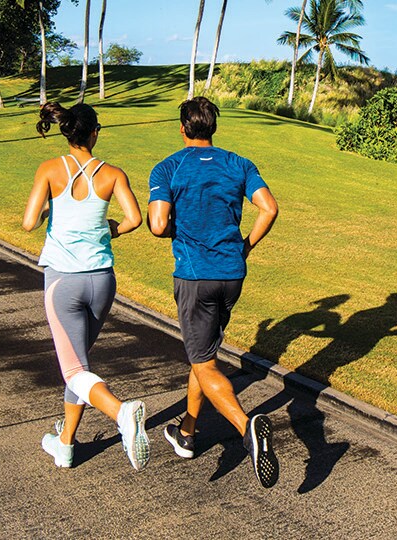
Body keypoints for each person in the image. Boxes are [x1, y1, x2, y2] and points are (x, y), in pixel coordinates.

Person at [147, 97, 282, 488]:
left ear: (183, 128)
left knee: (204, 362)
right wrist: (246, 246)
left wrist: (176, 228)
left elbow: (157, 225)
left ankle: (247, 429)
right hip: (232, 274)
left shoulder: (168, 167)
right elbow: (269, 208)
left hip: (195, 276)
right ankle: (187, 432)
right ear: (213, 128)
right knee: (203, 352)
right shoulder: (239, 164)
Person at [23, 102, 149, 470]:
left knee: (75, 370)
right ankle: (65, 443)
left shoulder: (49, 169)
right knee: (79, 365)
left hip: (63, 282)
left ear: (67, 132)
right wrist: (110, 229)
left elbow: (29, 222)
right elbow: (133, 219)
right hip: (102, 281)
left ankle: (122, 413)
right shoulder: (112, 174)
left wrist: (50, 208)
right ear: (94, 132)